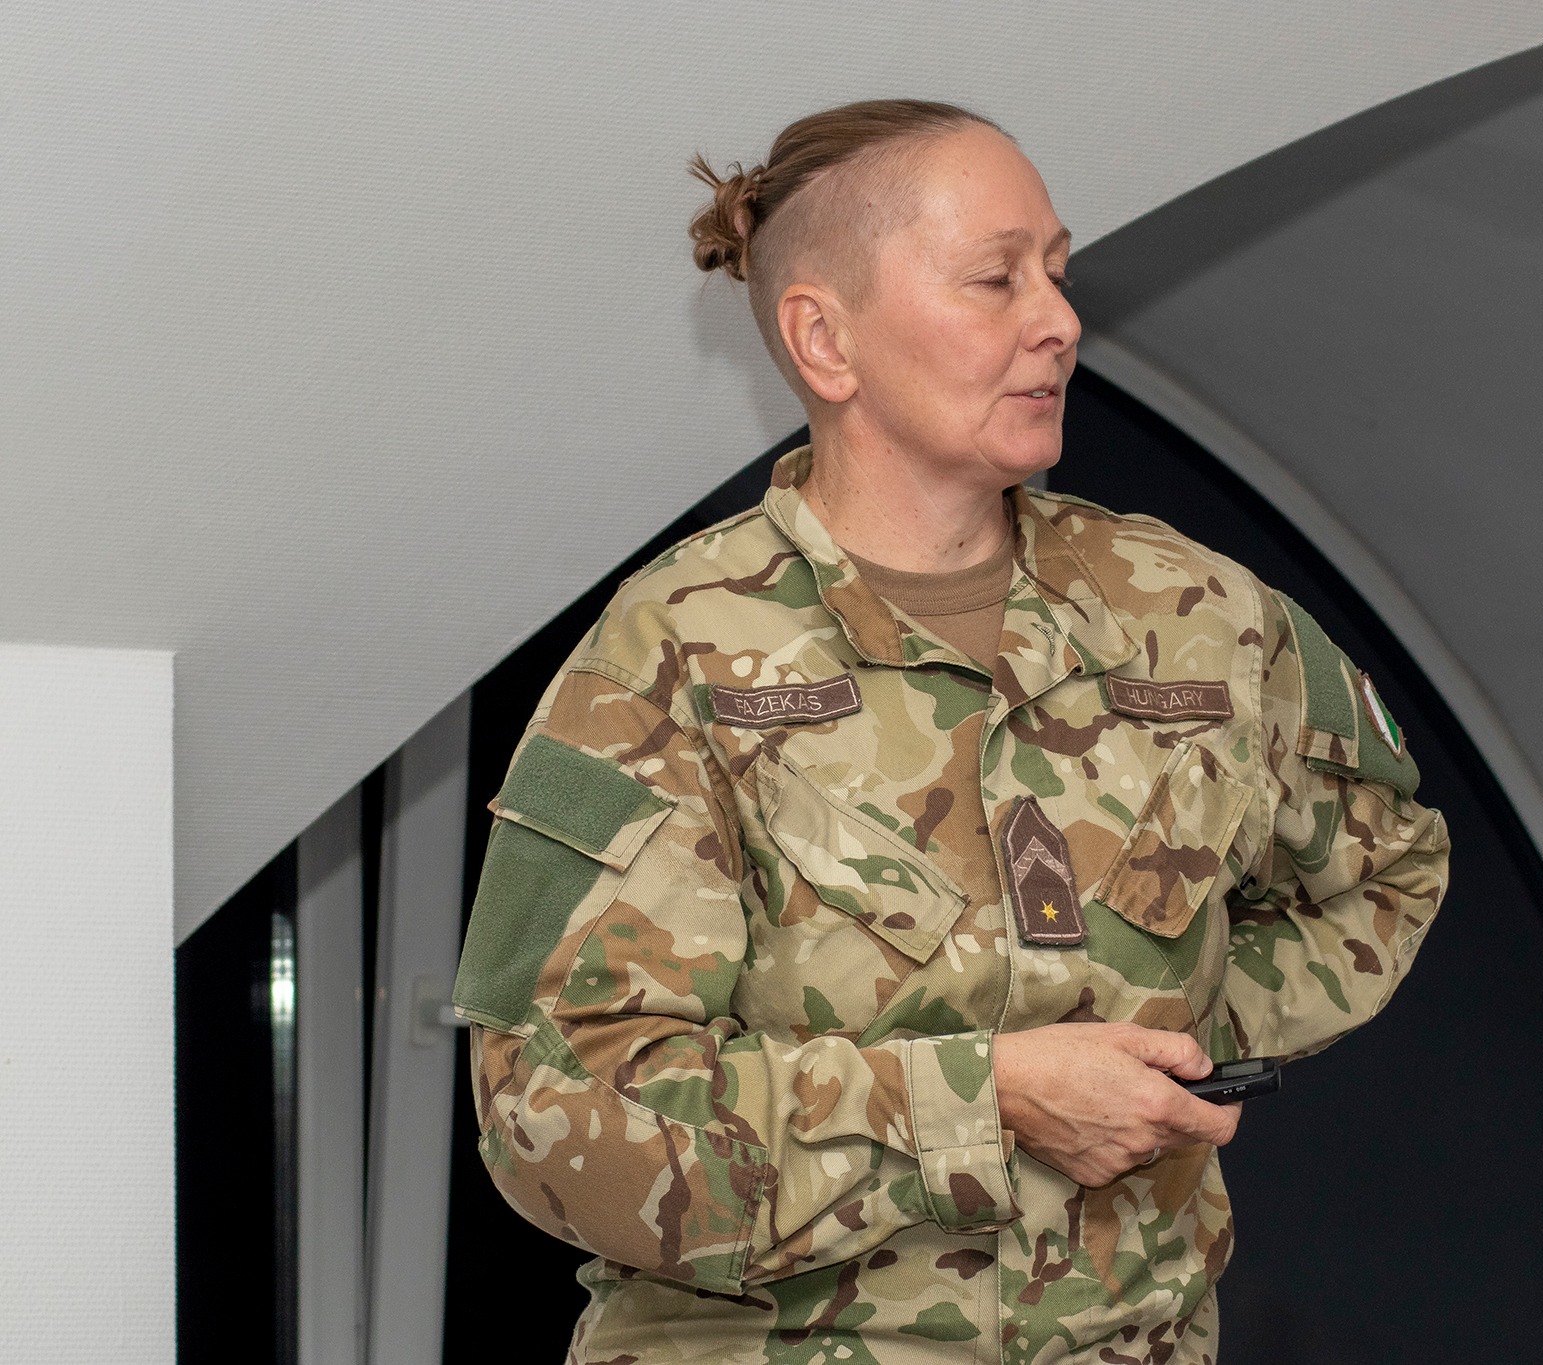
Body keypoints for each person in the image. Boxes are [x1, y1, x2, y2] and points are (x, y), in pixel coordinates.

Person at [452, 98, 1450, 1365]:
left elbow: (1382, 867)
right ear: (825, 340)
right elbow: (556, 1114)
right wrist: (987, 1101)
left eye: (1056, 272)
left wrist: (1165, 1047)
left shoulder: (1196, 616)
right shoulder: (672, 658)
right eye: (994, 279)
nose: (1059, 320)